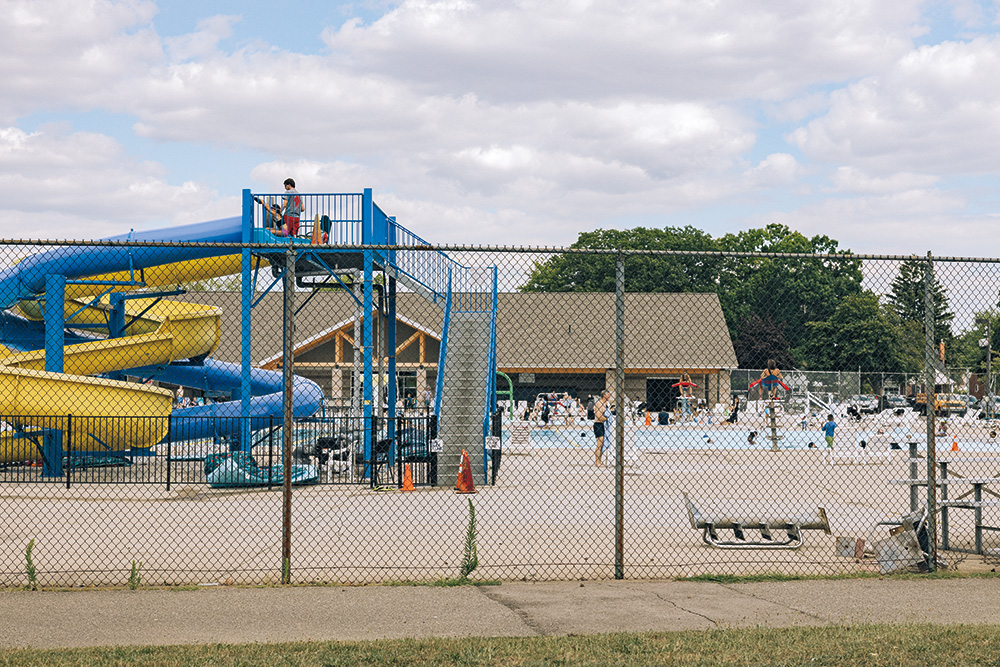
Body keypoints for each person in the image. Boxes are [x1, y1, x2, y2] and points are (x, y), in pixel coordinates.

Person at [593, 390, 611, 467]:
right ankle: (597, 462)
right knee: (599, 444)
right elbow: (599, 416)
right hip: (598, 424)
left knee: (603, 444)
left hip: (603, 425)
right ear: (604, 395)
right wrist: (608, 419)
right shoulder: (599, 404)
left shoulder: (606, 404)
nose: (609, 396)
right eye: (608, 394)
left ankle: (599, 461)